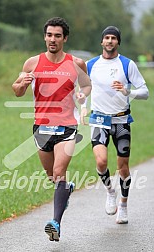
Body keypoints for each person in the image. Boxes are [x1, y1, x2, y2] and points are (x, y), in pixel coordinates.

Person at [12, 17, 91, 241]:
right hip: (42, 127)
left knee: (58, 172)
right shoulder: (32, 63)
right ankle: (66, 189)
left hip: (67, 125)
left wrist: (82, 95)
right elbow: (17, 90)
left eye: (57, 35)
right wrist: (22, 83)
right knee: (52, 178)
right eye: (49, 35)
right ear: (45, 37)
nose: (52, 39)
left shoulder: (76, 63)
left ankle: (55, 222)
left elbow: (86, 83)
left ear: (65, 38)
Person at [81, 26, 149, 224]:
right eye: (106, 38)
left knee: (123, 167)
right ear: (101, 42)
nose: (110, 41)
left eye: (113, 38)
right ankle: (110, 191)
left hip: (121, 120)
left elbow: (145, 91)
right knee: (101, 162)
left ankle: (124, 205)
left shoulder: (127, 64)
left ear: (118, 42)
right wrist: (83, 106)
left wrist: (128, 91)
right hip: (99, 120)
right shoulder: (91, 65)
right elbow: (83, 88)